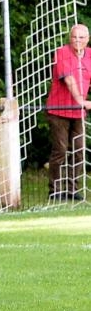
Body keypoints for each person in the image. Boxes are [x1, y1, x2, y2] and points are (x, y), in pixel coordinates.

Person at [46, 24, 91, 201]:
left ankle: (73, 189)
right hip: (59, 110)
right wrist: (81, 101)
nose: (77, 41)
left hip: (78, 114)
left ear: (87, 39)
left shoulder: (90, 55)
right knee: (61, 150)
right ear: (69, 38)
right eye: (74, 37)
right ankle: (55, 190)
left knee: (79, 149)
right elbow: (70, 80)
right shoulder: (62, 53)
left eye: (81, 37)